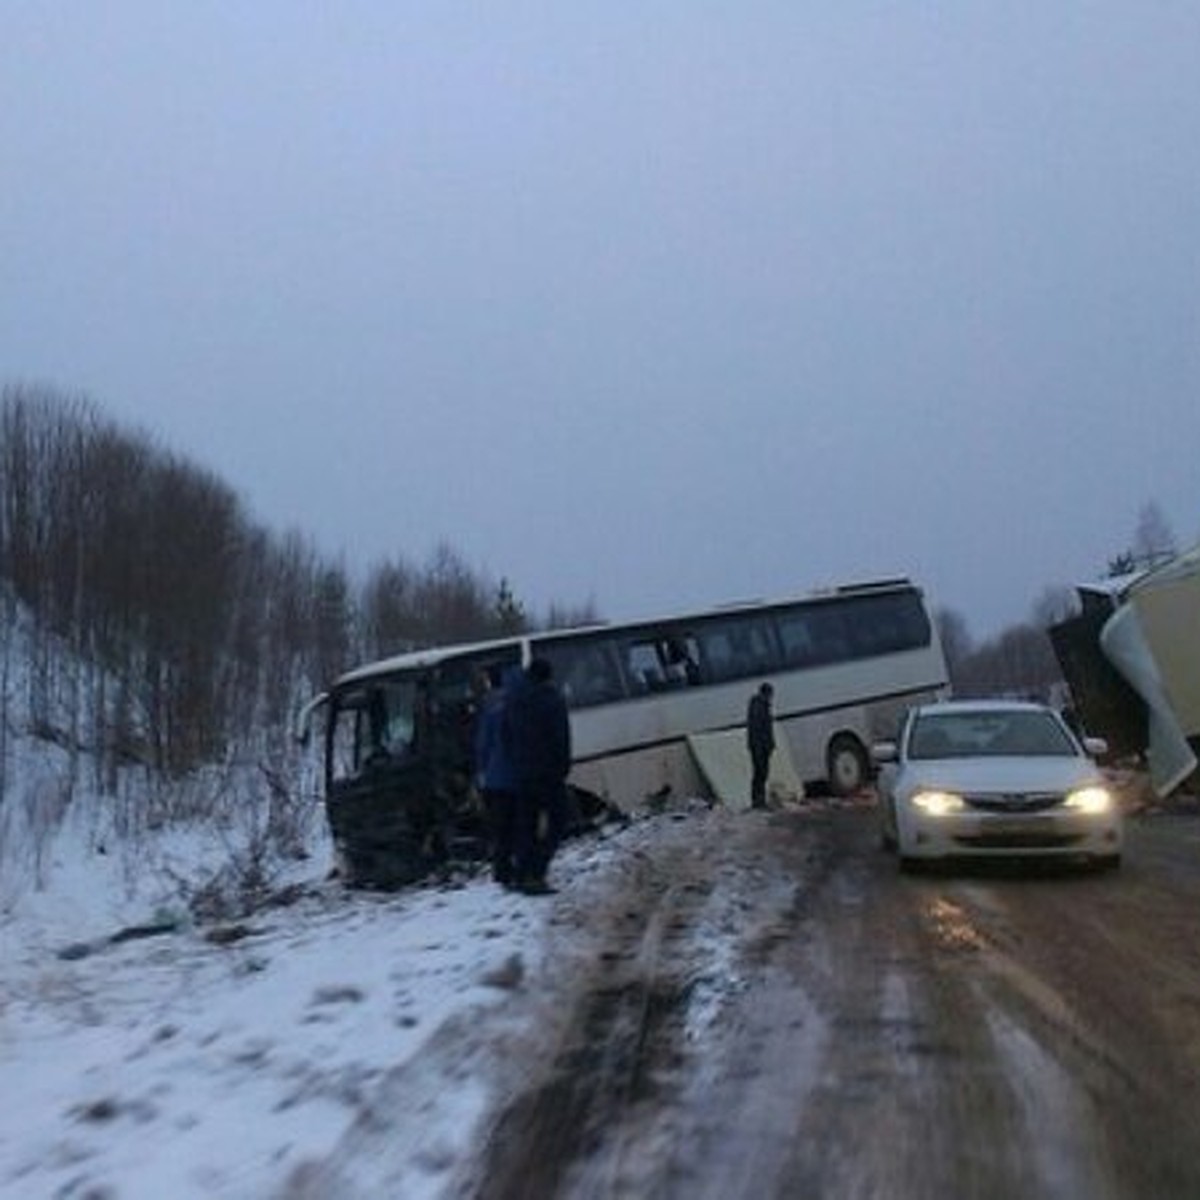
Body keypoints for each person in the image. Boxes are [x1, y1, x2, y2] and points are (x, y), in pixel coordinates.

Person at [503, 657, 572, 894]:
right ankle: (536, 872)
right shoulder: (552, 700)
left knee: (527, 825)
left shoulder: (513, 701)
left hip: (523, 773)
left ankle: (521, 874)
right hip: (549, 773)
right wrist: (563, 767)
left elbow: (506, 737)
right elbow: (560, 737)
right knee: (558, 822)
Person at [473, 664, 521, 886]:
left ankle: (502, 871)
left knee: (500, 827)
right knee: (518, 824)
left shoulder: (489, 706)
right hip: (518, 775)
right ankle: (518, 864)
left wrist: (482, 771)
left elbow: (483, 744)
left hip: (495, 777)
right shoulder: (517, 701)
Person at [746, 681, 775, 810]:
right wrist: (765, 746)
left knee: (761, 773)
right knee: (760, 773)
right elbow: (760, 730)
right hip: (759, 747)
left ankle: (759, 800)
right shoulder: (759, 707)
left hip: (760, 747)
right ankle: (758, 801)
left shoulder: (760, 705)